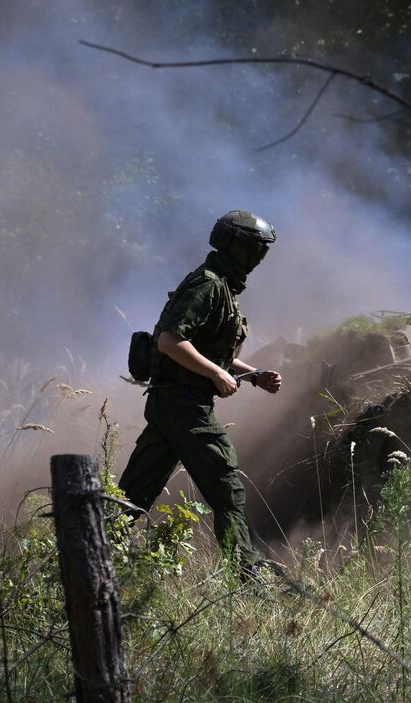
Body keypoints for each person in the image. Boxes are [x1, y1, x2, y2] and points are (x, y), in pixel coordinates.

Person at [118, 210, 282, 572]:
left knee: (131, 498)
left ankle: (86, 559)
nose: (258, 258)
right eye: (254, 248)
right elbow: (170, 341)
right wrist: (217, 375)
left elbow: (207, 353)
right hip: (185, 405)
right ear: (232, 244)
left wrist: (252, 375)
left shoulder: (221, 285)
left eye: (262, 251)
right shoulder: (207, 284)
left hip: (172, 404)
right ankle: (251, 581)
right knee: (228, 494)